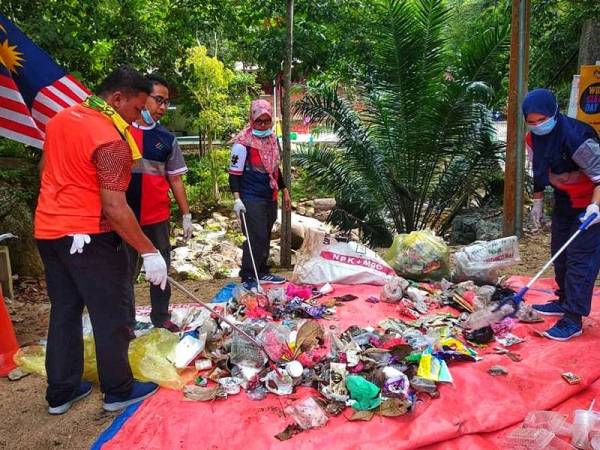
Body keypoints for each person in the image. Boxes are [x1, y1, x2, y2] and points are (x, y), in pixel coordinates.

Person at [35, 66, 167, 414]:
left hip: (49, 231)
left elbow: (45, 170)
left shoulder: (60, 119)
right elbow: (114, 207)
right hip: (89, 237)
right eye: (138, 109)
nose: (139, 118)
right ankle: (118, 390)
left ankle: (61, 391)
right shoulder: (112, 140)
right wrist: (150, 251)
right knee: (111, 314)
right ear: (117, 98)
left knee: (64, 310)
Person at [523, 88, 600, 341]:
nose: (537, 126)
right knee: (560, 251)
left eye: (541, 120)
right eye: (531, 122)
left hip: (591, 203)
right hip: (565, 199)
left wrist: (595, 207)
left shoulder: (576, 137)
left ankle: (573, 319)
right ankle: (563, 300)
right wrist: (536, 203)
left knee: (581, 258)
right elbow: (538, 169)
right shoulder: (533, 138)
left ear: (554, 113)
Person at [125, 73, 192, 334]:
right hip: (124, 215)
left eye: (166, 102)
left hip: (157, 216)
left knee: (162, 266)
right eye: (158, 100)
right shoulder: (121, 131)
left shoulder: (167, 139)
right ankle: (126, 322)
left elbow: (175, 180)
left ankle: (161, 315)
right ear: (143, 98)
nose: (163, 107)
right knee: (125, 272)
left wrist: (186, 215)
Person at [228, 99, 292, 291]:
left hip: (269, 195)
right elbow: (234, 174)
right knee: (255, 236)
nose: (263, 125)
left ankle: (262, 271)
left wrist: (285, 191)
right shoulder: (242, 145)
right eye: (259, 121)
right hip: (250, 196)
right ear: (252, 120)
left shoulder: (272, 140)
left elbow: (275, 169)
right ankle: (248, 275)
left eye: (267, 121)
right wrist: (237, 198)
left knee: (265, 235)